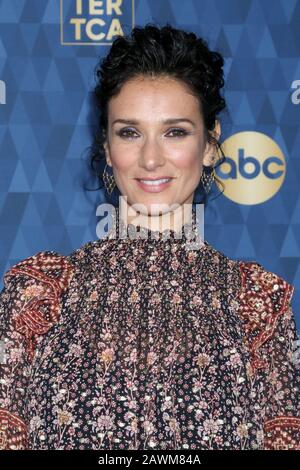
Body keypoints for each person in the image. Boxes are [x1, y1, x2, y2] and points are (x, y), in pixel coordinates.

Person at [0, 23, 299, 450]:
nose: (152, 157)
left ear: (211, 145)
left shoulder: (258, 305)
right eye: (130, 132)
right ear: (106, 146)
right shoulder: (41, 293)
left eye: (175, 132)